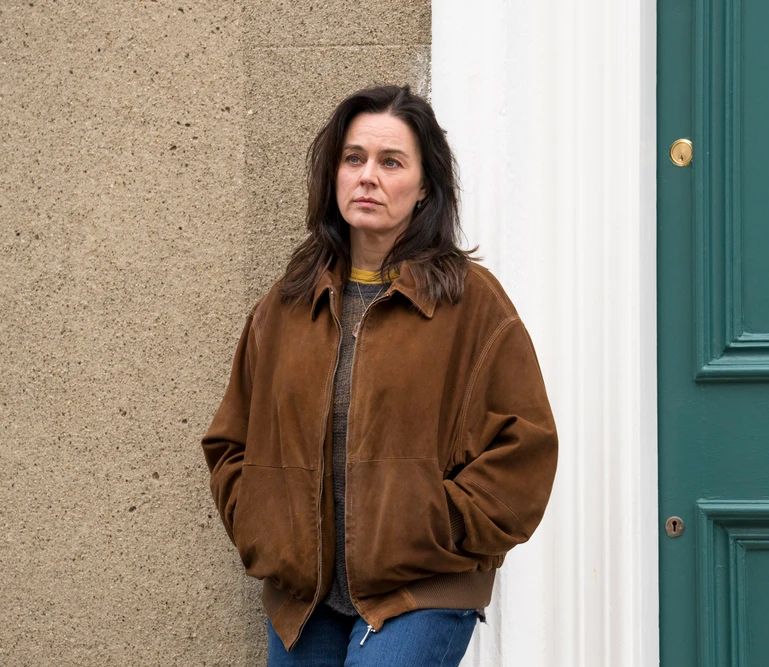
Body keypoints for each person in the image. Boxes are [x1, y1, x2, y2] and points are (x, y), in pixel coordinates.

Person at [201, 84, 558, 666]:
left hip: (421, 588)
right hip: (304, 598)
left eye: (391, 162)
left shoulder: (472, 305)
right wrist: (261, 523)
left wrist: (439, 527)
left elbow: (525, 447)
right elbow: (229, 441)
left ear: (423, 190)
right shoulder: (286, 304)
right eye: (354, 158)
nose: (368, 175)